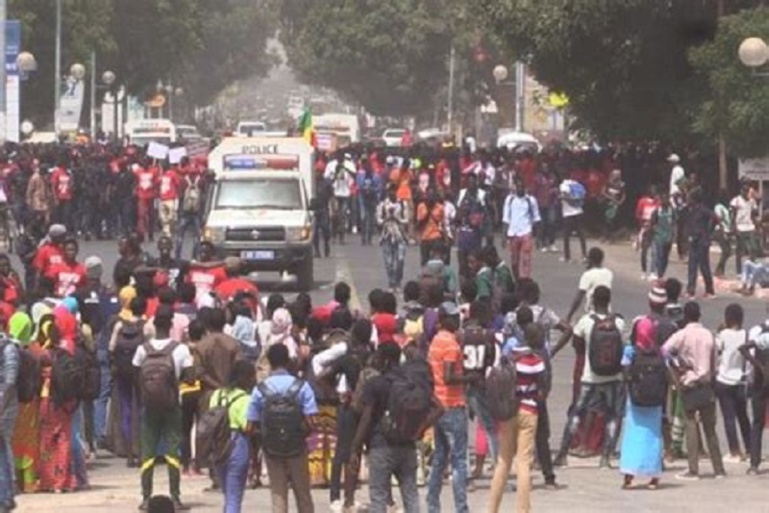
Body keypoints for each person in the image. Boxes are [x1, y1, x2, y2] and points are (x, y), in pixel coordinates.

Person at [351, 342, 427, 513]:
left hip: (380, 446)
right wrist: (419, 430)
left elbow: (366, 417)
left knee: (378, 497)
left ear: (384, 360)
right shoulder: (410, 383)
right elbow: (437, 408)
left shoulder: (375, 384)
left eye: (378, 357)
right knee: (411, 495)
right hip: (407, 444)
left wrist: (355, 447)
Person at [133, 304, 195, 510]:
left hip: (149, 407)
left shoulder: (143, 349)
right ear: (170, 325)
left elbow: (135, 374)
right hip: (171, 407)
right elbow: (190, 376)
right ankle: (175, 497)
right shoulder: (180, 349)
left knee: (148, 453)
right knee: (172, 452)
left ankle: (145, 497)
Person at [555, 286, 625, 468]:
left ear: (593, 301)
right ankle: (606, 457)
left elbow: (577, 346)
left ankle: (562, 454)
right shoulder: (618, 322)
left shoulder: (585, 321)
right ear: (609, 301)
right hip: (614, 377)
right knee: (612, 416)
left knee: (577, 413)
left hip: (590, 376)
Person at [247, 343, 317, 513]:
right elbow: (312, 422)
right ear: (288, 361)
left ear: (269, 362)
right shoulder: (302, 386)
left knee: (278, 495)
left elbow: (249, 426)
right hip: (297, 447)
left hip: (272, 449)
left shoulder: (260, 389)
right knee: (303, 494)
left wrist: (265, 435)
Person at [662, 301, 725, 480]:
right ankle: (718, 469)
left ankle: (693, 469)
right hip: (706, 384)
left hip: (688, 383)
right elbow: (714, 361)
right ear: (699, 315)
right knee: (710, 428)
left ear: (685, 317)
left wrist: (677, 367)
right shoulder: (709, 335)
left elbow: (664, 351)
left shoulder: (682, 335)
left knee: (690, 424)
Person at [488, 324, 545, 513]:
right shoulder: (536, 361)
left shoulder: (508, 357)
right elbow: (542, 388)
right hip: (528, 412)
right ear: (535, 339)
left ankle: (492, 508)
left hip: (508, 412)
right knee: (523, 463)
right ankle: (522, 510)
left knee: (503, 461)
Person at [426, 302, 473, 513]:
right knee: (459, 461)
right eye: (454, 318)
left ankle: (432, 506)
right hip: (453, 405)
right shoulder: (451, 345)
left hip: (438, 406)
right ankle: (461, 508)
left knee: (439, 459)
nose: (458, 321)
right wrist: (470, 377)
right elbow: (448, 376)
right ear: (446, 320)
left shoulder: (436, 341)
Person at [619, 316, 663, 490]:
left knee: (633, 435)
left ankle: (629, 476)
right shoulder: (660, 352)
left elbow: (624, 371)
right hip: (655, 403)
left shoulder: (631, 351)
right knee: (653, 437)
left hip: (636, 402)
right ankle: (653, 477)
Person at [210, 359, 255, 513]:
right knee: (234, 497)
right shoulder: (245, 399)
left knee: (228, 495)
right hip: (237, 445)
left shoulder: (217, 395)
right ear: (245, 378)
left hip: (218, 447)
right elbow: (247, 427)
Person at [714, 303, 750, 463]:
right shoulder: (746, 334)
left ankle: (734, 451)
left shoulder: (723, 335)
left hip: (724, 379)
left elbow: (716, 351)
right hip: (740, 380)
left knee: (729, 417)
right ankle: (750, 449)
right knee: (743, 416)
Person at [502, 176, 540, 281]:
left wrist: (537, 237)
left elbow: (536, 218)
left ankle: (525, 280)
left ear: (524, 187)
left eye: (521, 186)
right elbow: (506, 218)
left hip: (526, 232)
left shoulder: (530, 200)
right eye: (518, 186)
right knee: (514, 261)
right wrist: (504, 236)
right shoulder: (510, 199)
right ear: (515, 187)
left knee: (526, 259)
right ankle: (517, 280)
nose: (519, 189)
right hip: (513, 233)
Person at [566, 247, 613, 323]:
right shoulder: (609, 273)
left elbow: (578, 297)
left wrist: (569, 315)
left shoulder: (587, 275)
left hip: (592, 312)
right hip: (607, 311)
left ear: (590, 260)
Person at [684, 189, 716, 298]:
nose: (687, 200)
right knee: (692, 266)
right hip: (693, 241)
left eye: (689, 198)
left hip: (702, 242)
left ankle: (710, 290)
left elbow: (715, 217)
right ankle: (690, 290)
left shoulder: (702, 210)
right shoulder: (690, 210)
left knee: (704, 266)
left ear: (694, 199)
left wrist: (709, 232)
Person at [376, 184, 408, 293]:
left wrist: (397, 219)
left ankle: (398, 281)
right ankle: (391, 282)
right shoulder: (382, 205)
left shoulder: (402, 204)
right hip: (387, 235)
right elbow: (379, 221)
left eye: (394, 190)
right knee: (389, 262)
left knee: (400, 259)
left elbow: (406, 219)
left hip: (399, 235)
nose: (392, 193)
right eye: (390, 191)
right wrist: (387, 218)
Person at [730, 181, 760, 276]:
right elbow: (732, 215)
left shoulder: (751, 201)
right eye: (744, 190)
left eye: (747, 190)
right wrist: (734, 227)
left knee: (753, 248)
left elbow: (754, 215)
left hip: (750, 226)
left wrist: (757, 226)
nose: (746, 192)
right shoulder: (736, 200)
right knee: (740, 250)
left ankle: (750, 268)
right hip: (740, 227)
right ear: (741, 190)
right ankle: (739, 271)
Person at [559, 176, 587, 263]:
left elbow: (564, 196)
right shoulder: (578, 184)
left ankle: (567, 257)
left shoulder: (563, 185)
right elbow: (583, 195)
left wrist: (561, 197)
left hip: (568, 213)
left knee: (566, 236)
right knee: (581, 235)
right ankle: (584, 256)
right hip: (579, 211)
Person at [416, 188, 447, 266]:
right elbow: (419, 224)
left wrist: (446, 238)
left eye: (432, 195)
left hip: (436, 236)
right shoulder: (421, 206)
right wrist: (428, 212)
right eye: (429, 195)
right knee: (425, 262)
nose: (430, 197)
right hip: (425, 237)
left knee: (436, 261)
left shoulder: (440, 207)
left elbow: (443, 223)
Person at [650, 193, 675, 280]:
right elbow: (652, 223)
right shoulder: (657, 211)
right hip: (659, 237)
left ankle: (662, 273)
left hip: (668, 237)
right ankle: (659, 274)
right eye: (663, 200)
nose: (664, 202)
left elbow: (675, 222)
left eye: (666, 200)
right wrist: (654, 232)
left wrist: (673, 234)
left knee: (665, 257)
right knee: (659, 255)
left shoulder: (672, 211)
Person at [602, 169, 626, 243]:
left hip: (616, 205)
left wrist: (620, 202)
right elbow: (603, 192)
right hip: (608, 204)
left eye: (619, 174)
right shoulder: (608, 183)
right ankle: (605, 236)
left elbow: (624, 195)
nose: (617, 176)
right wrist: (610, 197)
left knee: (613, 221)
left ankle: (612, 238)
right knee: (607, 221)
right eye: (616, 174)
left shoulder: (622, 184)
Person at [713, 190, 733, 278]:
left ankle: (721, 270)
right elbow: (719, 219)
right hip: (721, 230)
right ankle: (719, 270)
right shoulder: (718, 207)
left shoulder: (726, 208)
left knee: (728, 251)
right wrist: (723, 231)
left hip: (727, 230)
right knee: (725, 251)